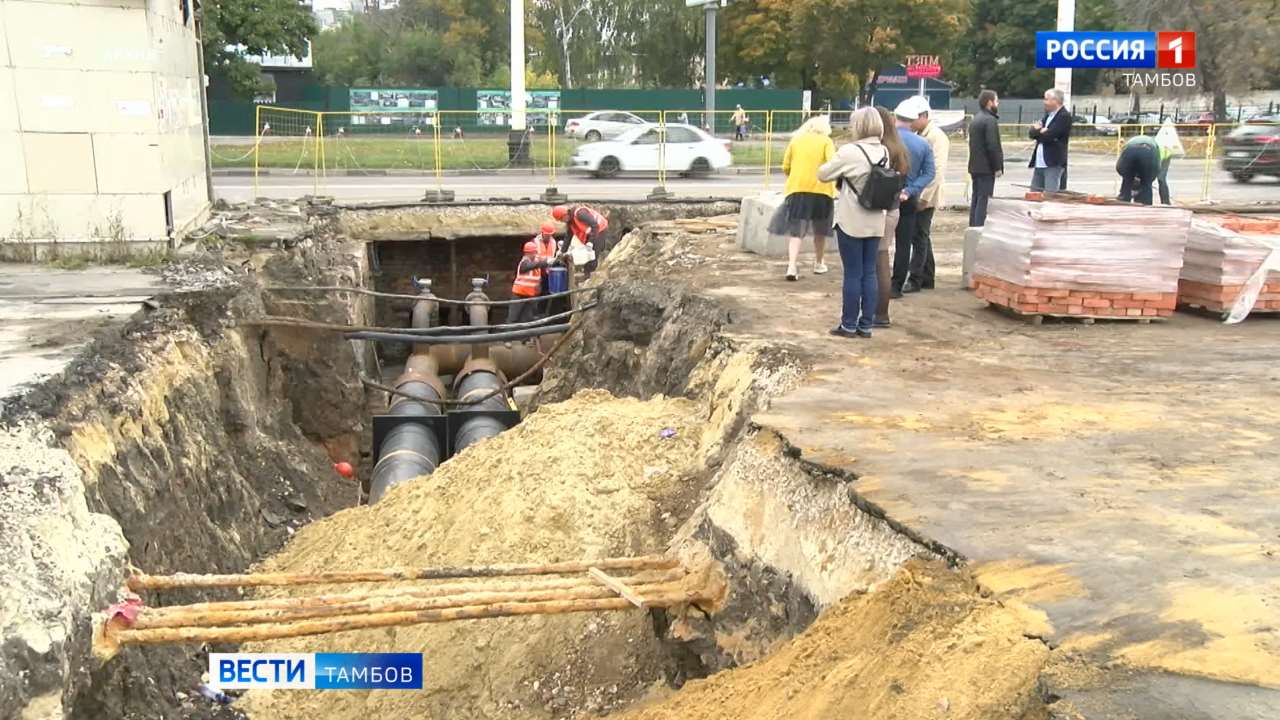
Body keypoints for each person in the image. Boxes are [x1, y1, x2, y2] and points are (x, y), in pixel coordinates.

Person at [817, 107, 889, 339]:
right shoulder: (884, 151)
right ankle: (866, 325)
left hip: (851, 220)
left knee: (852, 273)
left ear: (857, 126)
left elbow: (823, 174)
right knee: (869, 273)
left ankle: (848, 324)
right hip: (876, 219)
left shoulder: (849, 151)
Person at [773, 115, 835, 280]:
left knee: (796, 231)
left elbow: (785, 166)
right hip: (822, 191)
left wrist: (794, 178)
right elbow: (832, 164)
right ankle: (819, 263)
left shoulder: (796, 141)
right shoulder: (826, 142)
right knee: (820, 230)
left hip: (798, 189)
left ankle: (792, 266)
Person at [889, 98, 937, 298]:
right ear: (912, 119)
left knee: (879, 242)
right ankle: (896, 285)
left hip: (885, 195)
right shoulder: (923, 143)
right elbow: (930, 172)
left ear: (895, 117)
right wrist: (911, 190)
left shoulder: (887, 140)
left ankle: (878, 281)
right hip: (909, 198)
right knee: (904, 242)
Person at [902, 96, 949, 293]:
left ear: (924, 116)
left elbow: (936, 171)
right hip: (919, 192)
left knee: (919, 236)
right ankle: (927, 276)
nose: (911, 123)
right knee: (921, 235)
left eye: (914, 119)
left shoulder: (936, 137)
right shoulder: (922, 134)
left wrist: (924, 198)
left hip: (925, 195)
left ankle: (916, 278)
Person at [873, 106, 911, 327]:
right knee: (882, 259)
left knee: (872, 262)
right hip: (893, 208)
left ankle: (876, 313)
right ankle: (882, 313)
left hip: (876, 210)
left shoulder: (879, 148)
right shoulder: (899, 147)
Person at [508, 222, 561, 324]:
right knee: (513, 317)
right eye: (533, 252)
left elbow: (537, 277)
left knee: (527, 318)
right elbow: (530, 266)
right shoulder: (525, 262)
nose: (535, 254)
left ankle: (525, 338)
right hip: (520, 293)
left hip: (530, 293)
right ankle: (507, 339)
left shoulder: (552, 244)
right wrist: (545, 262)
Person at [968, 89, 1004, 226]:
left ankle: (973, 227)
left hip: (975, 167)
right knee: (984, 201)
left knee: (976, 199)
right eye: (996, 101)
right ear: (990, 102)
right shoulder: (990, 120)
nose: (998, 103)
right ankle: (979, 229)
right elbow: (992, 146)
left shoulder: (976, 119)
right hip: (986, 168)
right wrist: (997, 167)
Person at [1029, 88, 1072, 192]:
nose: (1044, 102)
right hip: (1039, 163)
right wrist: (1040, 131)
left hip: (1053, 163)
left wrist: (1040, 132)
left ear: (1055, 101)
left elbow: (1049, 136)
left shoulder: (1064, 116)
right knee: (1034, 194)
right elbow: (1032, 133)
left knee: (1050, 196)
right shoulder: (1047, 116)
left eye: (1046, 99)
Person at [552, 204, 609, 277]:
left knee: (592, 255)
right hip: (592, 231)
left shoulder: (580, 214)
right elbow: (568, 237)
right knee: (587, 254)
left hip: (600, 229)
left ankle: (590, 276)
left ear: (565, 214)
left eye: (561, 219)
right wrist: (562, 252)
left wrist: (590, 242)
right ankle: (587, 274)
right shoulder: (570, 222)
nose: (562, 221)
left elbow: (595, 225)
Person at [1116, 134, 1172, 205]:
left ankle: (1124, 200)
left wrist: (1128, 177)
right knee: (1146, 185)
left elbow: (1120, 167)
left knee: (1127, 182)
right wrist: (1147, 181)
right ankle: (1145, 204)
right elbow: (1154, 172)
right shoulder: (1154, 147)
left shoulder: (1163, 152)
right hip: (1148, 153)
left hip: (1131, 151)